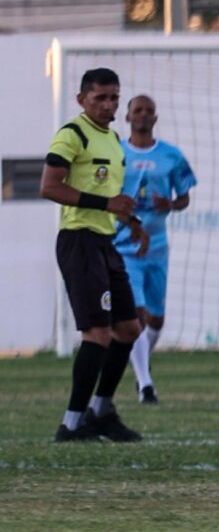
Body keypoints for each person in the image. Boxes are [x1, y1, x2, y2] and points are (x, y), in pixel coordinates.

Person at [39, 67, 146, 442]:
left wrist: (129, 219)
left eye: (114, 97)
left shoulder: (114, 141)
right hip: (78, 241)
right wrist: (107, 203)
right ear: (82, 98)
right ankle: (71, 425)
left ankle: (101, 411)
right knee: (97, 333)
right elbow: (50, 187)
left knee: (129, 328)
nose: (108, 104)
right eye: (100, 97)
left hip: (105, 242)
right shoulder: (73, 134)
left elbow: (110, 200)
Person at [115, 92, 195, 406]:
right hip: (125, 245)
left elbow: (185, 197)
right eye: (138, 110)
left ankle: (141, 361)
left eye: (149, 110)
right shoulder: (117, 153)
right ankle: (145, 385)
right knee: (135, 315)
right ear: (128, 116)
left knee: (156, 319)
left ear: (155, 118)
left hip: (158, 246)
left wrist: (171, 204)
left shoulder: (171, 155)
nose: (143, 115)